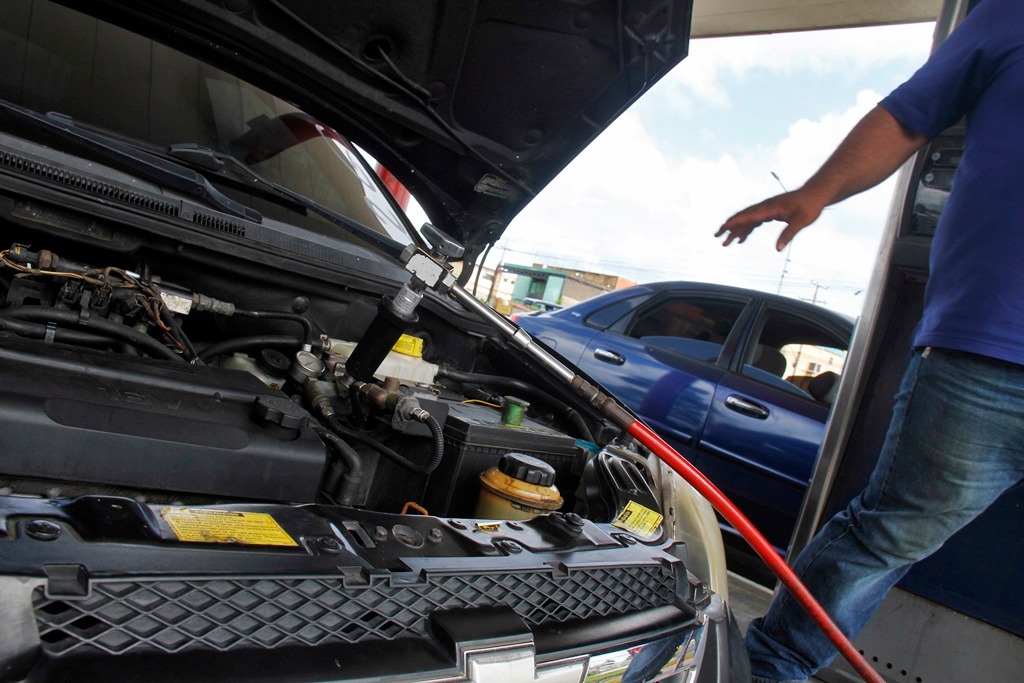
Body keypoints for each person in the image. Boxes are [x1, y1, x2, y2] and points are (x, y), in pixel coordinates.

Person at [714, 1, 1024, 681]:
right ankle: (767, 671)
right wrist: (817, 191)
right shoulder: (1010, 16)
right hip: (991, 352)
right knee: (883, 536)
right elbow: (910, 112)